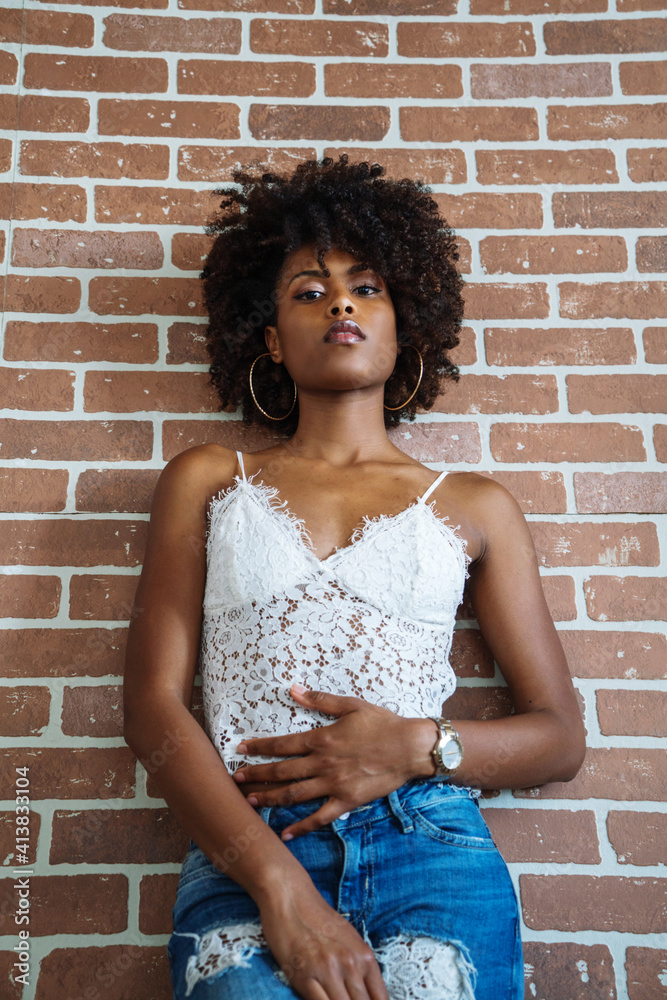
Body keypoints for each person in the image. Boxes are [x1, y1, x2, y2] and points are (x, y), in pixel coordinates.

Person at [122, 155, 586, 1000]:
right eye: (308, 290)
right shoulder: (209, 478)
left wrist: (418, 745)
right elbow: (151, 707)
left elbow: (559, 738)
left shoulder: (475, 505)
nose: (339, 302)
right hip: (247, 844)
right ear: (267, 337)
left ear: (403, 324)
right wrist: (280, 889)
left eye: (365, 287)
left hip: (432, 846)